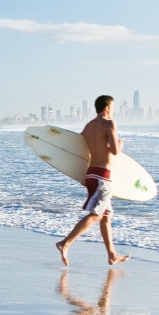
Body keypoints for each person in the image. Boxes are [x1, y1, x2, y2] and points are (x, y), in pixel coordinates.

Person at [56, 95, 129, 266]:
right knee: (96, 214)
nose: (113, 110)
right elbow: (115, 151)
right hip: (104, 175)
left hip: (91, 174)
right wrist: (120, 143)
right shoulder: (109, 123)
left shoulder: (88, 127)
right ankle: (65, 243)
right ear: (106, 108)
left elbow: (81, 150)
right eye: (112, 107)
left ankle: (112, 255)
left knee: (106, 216)